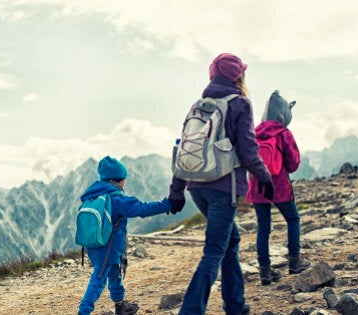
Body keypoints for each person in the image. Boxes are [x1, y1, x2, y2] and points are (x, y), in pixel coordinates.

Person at [168, 53, 273, 315]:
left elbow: (185, 148)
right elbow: (248, 150)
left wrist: (176, 191)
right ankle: (191, 311)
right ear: (238, 75)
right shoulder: (240, 103)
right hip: (224, 189)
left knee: (230, 240)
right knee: (214, 250)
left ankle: (236, 305)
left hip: (196, 187)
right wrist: (265, 178)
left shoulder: (198, 106)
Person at [78, 156, 175, 315]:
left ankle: (120, 305)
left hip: (94, 245)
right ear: (120, 180)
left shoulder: (94, 196)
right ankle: (83, 311)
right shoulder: (117, 200)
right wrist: (168, 205)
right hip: (107, 249)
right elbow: (143, 209)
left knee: (114, 272)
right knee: (98, 279)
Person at [246, 90, 311, 285]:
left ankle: (265, 272)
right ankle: (294, 262)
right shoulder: (283, 133)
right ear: (283, 116)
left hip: (258, 187)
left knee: (263, 228)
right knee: (293, 219)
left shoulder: (254, 133)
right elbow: (293, 163)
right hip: (280, 186)